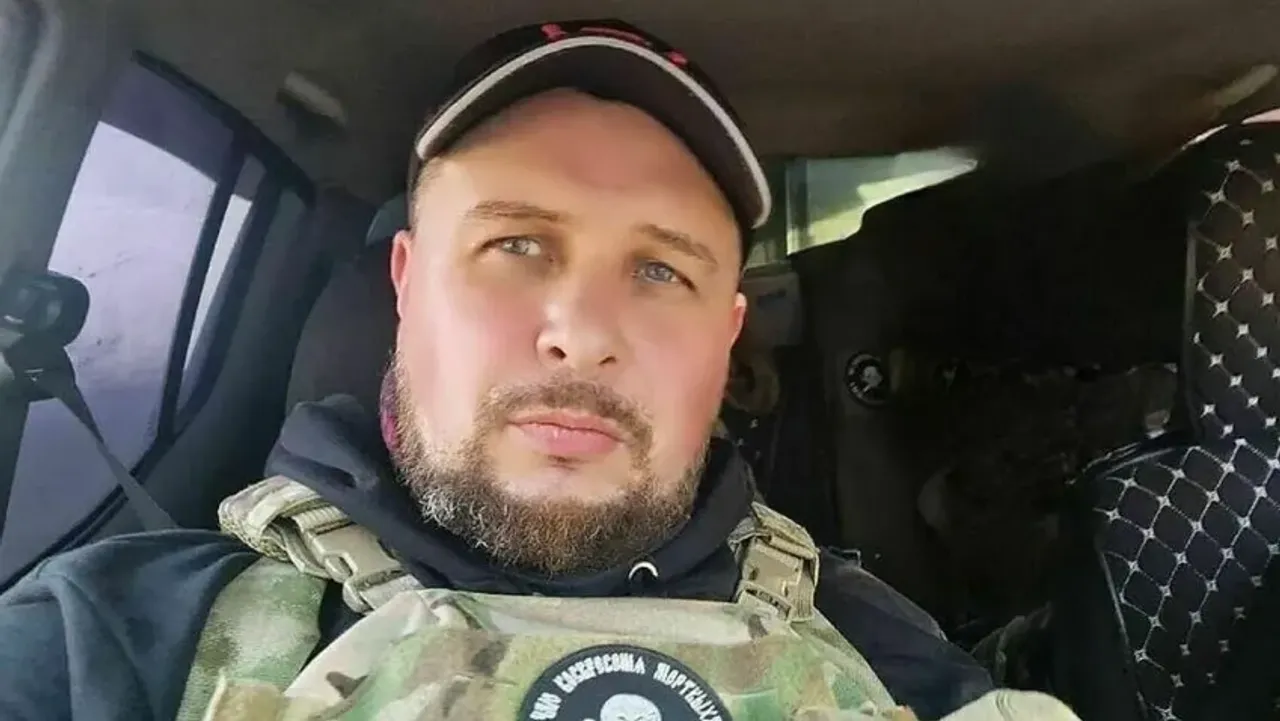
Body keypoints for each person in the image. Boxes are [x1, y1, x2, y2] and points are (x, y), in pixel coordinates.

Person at [0, 18, 1077, 721]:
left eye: (659, 269)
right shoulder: (113, 636)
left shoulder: (884, 648)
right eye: (517, 244)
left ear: (727, 335)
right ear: (407, 283)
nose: (581, 332)